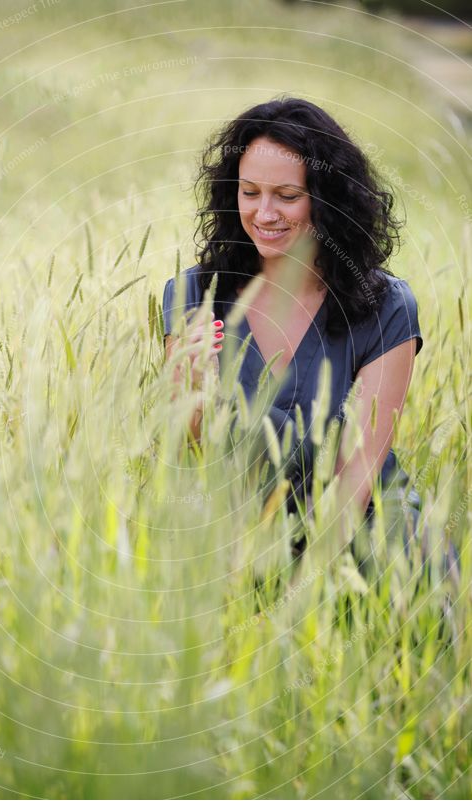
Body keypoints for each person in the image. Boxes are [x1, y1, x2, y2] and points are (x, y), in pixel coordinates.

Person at [161, 95, 459, 580]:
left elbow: (359, 473)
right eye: (250, 192)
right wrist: (193, 396)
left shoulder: (385, 306)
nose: (264, 213)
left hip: (364, 521)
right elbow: (188, 458)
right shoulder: (196, 294)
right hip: (239, 522)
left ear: (326, 199)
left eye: (287, 195)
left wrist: (300, 592)